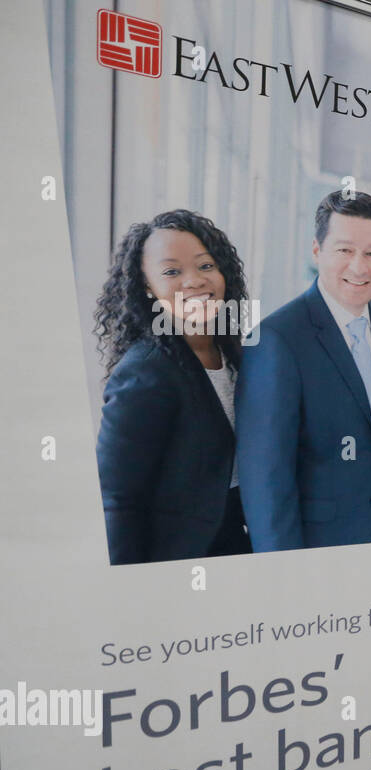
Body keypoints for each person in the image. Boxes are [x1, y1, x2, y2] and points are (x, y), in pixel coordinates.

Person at [237, 190, 371, 551]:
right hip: (314, 546)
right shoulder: (274, 339)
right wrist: (283, 571)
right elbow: (264, 478)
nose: (359, 266)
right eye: (344, 250)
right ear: (317, 252)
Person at [94, 209, 252, 565]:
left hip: (234, 544)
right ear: (147, 287)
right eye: (171, 272)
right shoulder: (146, 371)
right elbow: (117, 499)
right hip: (177, 558)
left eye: (206, 266)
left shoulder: (234, 353)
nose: (194, 281)